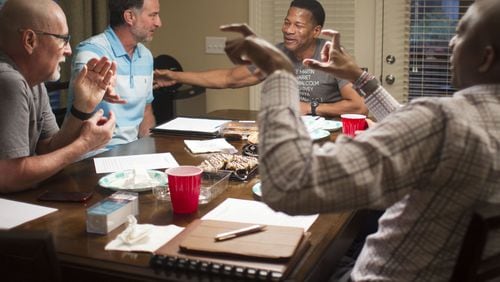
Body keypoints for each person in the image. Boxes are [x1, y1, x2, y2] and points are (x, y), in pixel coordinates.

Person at [220, 0, 500, 279]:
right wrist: (359, 77)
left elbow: (288, 185)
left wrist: (279, 73)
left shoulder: (443, 122)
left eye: (461, 32)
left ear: (485, 57)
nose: (451, 42)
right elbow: (412, 125)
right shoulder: (457, 123)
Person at [153, 0, 367, 118]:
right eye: (286, 22)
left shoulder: (333, 57)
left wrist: (311, 108)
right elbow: (229, 78)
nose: (289, 30)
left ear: (316, 31)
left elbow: (359, 107)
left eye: (298, 26)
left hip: (330, 139)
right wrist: (175, 75)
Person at [0, 0, 116, 193]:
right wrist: (85, 144)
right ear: (30, 40)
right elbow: (8, 177)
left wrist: (83, 106)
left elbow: (49, 148)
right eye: (63, 39)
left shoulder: (32, 80)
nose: (69, 49)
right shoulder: (8, 80)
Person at [68, 0, 161, 148]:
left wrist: (151, 153)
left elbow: (146, 111)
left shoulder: (146, 56)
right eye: (153, 15)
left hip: (133, 155)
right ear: (130, 16)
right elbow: (80, 117)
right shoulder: (91, 53)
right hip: (93, 155)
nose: (158, 23)